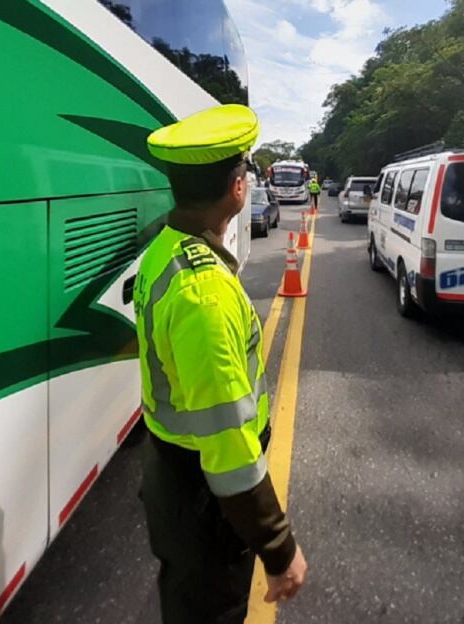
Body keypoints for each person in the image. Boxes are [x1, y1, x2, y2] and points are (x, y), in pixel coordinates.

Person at [134, 103, 308, 624]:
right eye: (246, 176)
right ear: (237, 188)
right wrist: (279, 551)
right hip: (204, 504)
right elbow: (229, 448)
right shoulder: (204, 295)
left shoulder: (166, 249)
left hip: (176, 479)